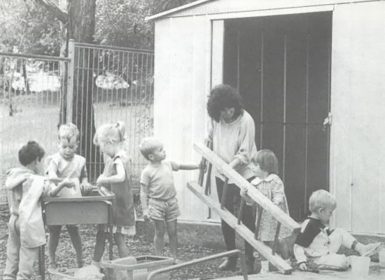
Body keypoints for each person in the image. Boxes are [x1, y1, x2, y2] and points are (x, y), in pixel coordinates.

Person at [206, 84, 258, 273]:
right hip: (223, 174)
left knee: (246, 217)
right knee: (225, 215)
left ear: (235, 105)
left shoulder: (246, 120)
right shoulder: (216, 120)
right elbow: (210, 139)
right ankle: (231, 257)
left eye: (230, 108)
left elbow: (245, 153)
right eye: (223, 109)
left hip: (244, 173)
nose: (228, 112)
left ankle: (251, 260)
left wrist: (230, 168)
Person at [139, 137, 199, 260]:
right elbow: (143, 192)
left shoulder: (168, 164)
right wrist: (145, 210)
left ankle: (174, 257)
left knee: (173, 231)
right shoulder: (147, 172)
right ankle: (158, 259)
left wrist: (198, 166)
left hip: (171, 203)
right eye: (160, 150)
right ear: (151, 157)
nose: (164, 151)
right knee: (159, 232)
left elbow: (183, 165)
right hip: (156, 204)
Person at [294, 189, 381, 271]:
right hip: (316, 258)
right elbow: (298, 245)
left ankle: (361, 248)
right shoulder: (309, 225)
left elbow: (324, 236)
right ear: (321, 211)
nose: (331, 215)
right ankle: (349, 260)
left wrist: (331, 235)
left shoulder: (319, 221)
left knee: (340, 231)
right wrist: (301, 261)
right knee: (341, 262)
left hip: (324, 248)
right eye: (330, 212)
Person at [46, 123, 92, 269]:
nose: (67, 150)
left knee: (74, 230)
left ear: (77, 145)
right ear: (58, 143)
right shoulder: (55, 160)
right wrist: (63, 182)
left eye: (71, 147)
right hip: (57, 199)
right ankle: (52, 260)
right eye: (64, 146)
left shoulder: (80, 160)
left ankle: (80, 260)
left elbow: (84, 176)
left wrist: (85, 183)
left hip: (72, 199)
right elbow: (51, 176)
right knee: (54, 231)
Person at [3, 141, 48, 280]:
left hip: (14, 220)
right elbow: (48, 192)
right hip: (27, 223)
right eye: (42, 161)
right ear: (36, 161)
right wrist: (62, 183)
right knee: (26, 266)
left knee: (12, 259)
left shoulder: (14, 174)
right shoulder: (34, 180)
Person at [92, 121, 135, 268]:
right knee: (111, 236)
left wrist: (104, 179)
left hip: (118, 206)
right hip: (118, 203)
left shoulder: (118, 159)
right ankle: (97, 265)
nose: (102, 151)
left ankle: (129, 269)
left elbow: (120, 177)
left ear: (109, 142)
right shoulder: (120, 157)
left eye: (102, 147)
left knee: (117, 238)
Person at [241, 149, 291, 272]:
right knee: (264, 241)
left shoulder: (275, 180)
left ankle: (287, 262)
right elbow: (251, 202)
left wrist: (275, 203)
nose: (251, 167)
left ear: (265, 167)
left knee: (280, 240)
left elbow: (279, 195)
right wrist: (245, 195)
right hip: (263, 217)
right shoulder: (254, 183)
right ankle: (264, 268)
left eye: (255, 165)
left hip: (276, 216)